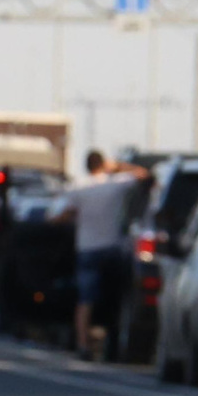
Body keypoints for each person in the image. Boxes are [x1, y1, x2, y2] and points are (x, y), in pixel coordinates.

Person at [67, 150, 142, 362]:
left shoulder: (79, 186)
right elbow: (143, 174)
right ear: (103, 164)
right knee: (114, 300)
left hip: (87, 248)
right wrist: (118, 166)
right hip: (112, 248)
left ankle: (83, 344)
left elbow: (68, 212)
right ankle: (113, 343)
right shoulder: (115, 184)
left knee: (85, 301)